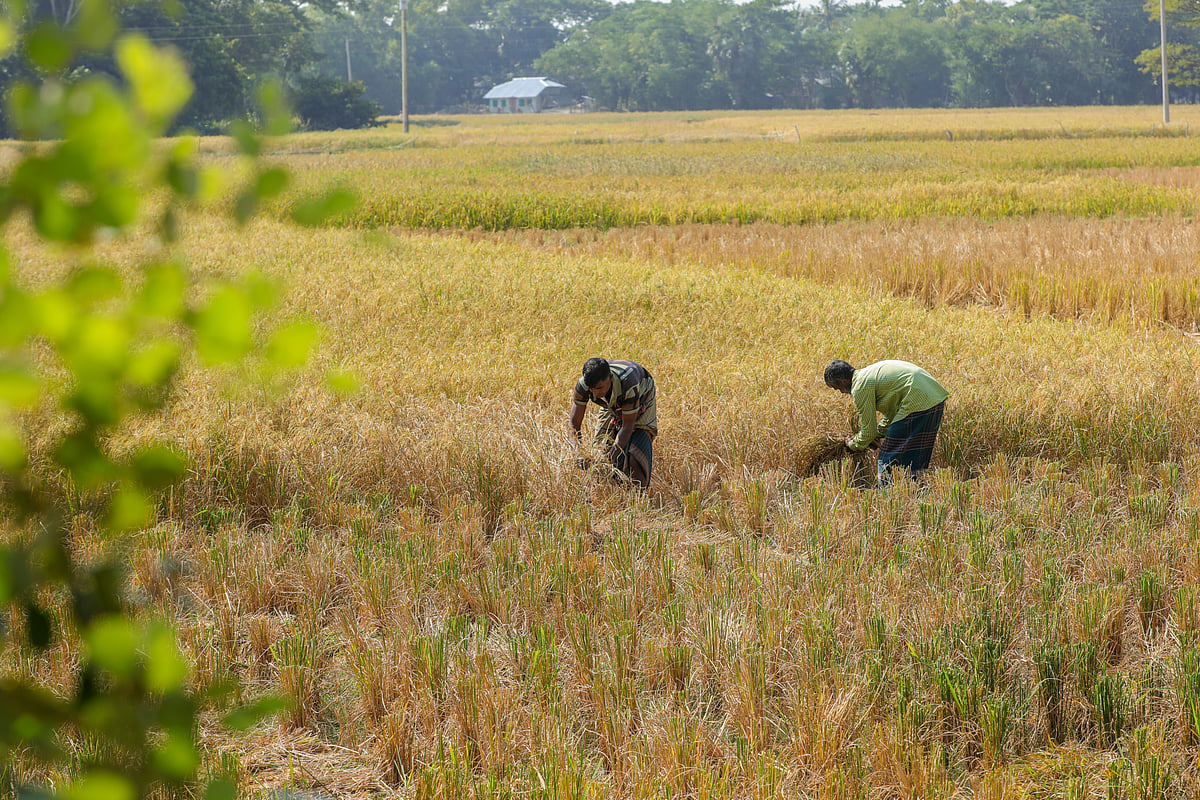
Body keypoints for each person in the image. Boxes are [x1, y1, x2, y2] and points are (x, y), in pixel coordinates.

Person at [823, 359, 948, 485]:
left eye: (837, 388)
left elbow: (868, 432)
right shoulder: (868, 374)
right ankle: (916, 491)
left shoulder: (860, 387)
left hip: (916, 400)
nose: (842, 392)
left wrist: (852, 445)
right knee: (915, 454)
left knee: (888, 456)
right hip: (934, 398)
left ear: (842, 381)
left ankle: (889, 495)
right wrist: (878, 434)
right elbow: (892, 414)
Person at [569, 357, 657, 488]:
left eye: (599, 388)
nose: (595, 392)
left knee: (635, 452)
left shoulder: (629, 383)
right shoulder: (584, 384)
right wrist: (577, 452)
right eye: (592, 389)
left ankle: (637, 495)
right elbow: (574, 423)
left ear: (610, 378)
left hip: (642, 397)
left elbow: (628, 426)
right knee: (601, 447)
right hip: (610, 404)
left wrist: (608, 458)